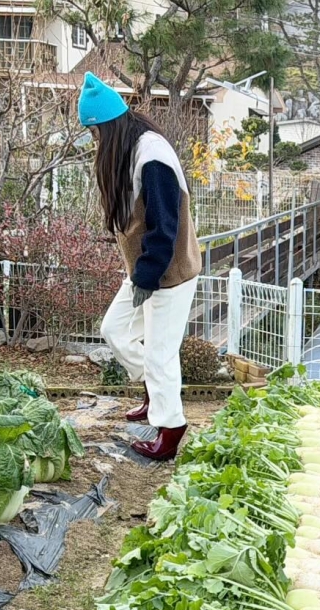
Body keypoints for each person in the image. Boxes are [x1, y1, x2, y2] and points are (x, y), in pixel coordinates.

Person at [78, 72, 202, 461]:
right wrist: (140, 274)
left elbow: (165, 227)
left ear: (110, 126)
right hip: (147, 271)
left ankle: (171, 427)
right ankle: (153, 392)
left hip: (169, 272)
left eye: (96, 133)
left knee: (161, 354)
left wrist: (146, 277)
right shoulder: (132, 148)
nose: (95, 142)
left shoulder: (152, 156)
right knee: (114, 330)